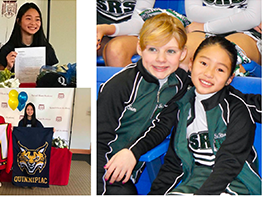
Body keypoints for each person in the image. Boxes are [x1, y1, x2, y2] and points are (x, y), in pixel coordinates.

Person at [148, 36, 261, 195]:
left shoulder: (236, 108)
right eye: (204, 63)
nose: (209, 73)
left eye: (220, 69)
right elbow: (173, 164)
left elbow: (229, 164)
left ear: (229, 79)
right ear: (191, 63)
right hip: (196, 181)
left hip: (237, 183)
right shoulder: (182, 106)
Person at [97, 13, 191, 195]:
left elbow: (162, 126)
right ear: (139, 48)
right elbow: (100, 141)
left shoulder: (180, 82)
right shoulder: (119, 85)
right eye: (153, 49)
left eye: (171, 51)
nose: (161, 59)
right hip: (103, 168)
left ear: (183, 53)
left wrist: (132, 152)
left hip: (127, 170)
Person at [180, 0, 261, 72]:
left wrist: (206, 27)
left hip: (248, 31)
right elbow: (193, 12)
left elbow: (252, 19)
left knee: (221, 56)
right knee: (181, 53)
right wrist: (242, 14)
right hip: (206, 23)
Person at [0, 2, 58, 72]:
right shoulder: (7, 50)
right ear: (18, 21)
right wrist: (8, 67)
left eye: (37, 19)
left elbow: (53, 74)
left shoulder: (47, 48)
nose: (33, 23)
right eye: (28, 18)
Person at [96, 0, 155, 67]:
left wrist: (106, 29)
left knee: (116, 49)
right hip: (101, 35)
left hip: (136, 36)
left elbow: (139, 23)